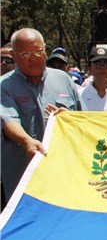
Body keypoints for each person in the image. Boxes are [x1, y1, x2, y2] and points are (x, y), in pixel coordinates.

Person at [1, 28, 85, 207]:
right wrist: (26, 142)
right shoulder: (4, 86)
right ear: (14, 57)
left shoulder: (63, 79)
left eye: (38, 51)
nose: (34, 58)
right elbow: (8, 120)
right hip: (24, 178)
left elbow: (81, 119)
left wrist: (68, 118)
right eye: (26, 54)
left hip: (64, 176)